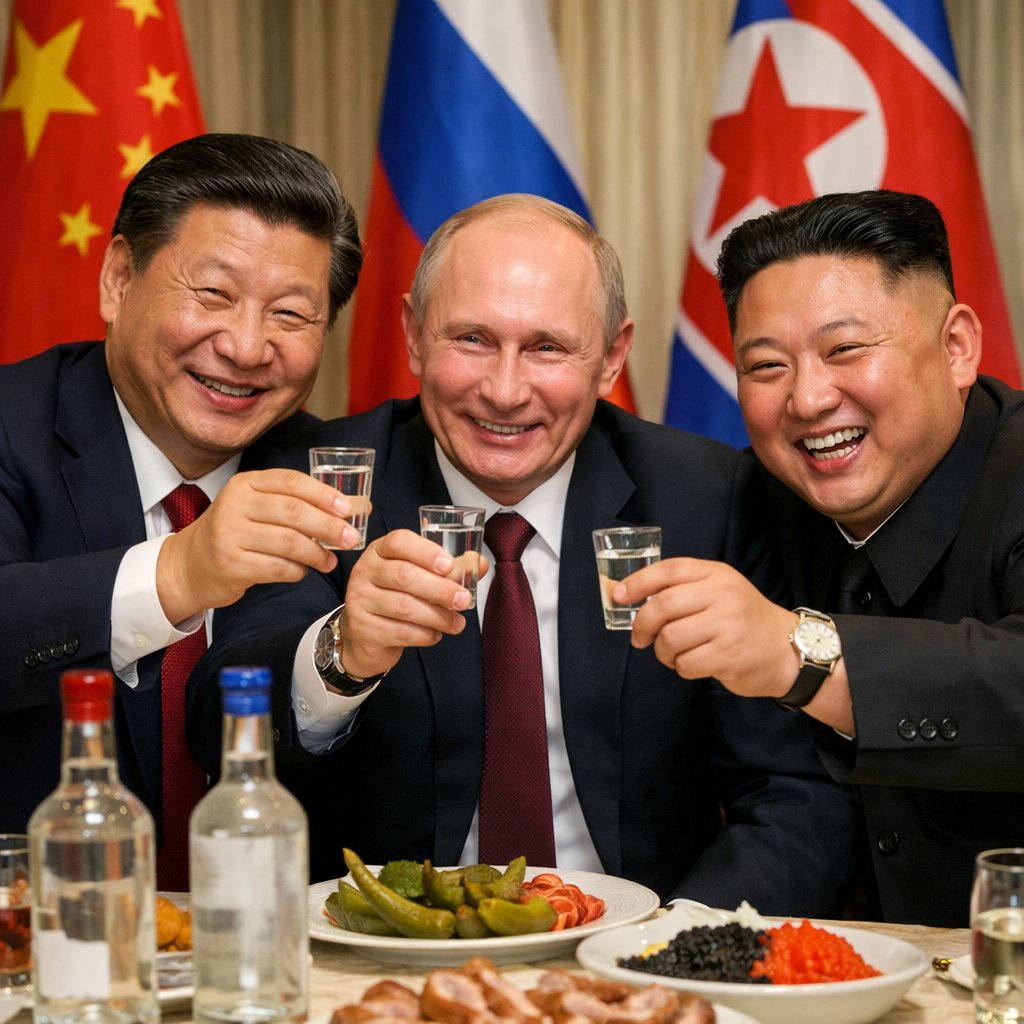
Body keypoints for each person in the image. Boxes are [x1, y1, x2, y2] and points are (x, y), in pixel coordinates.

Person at [188, 193, 857, 915]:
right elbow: (214, 730)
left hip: (640, 946)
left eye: (547, 348)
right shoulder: (324, 479)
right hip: (384, 950)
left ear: (612, 357)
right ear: (413, 335)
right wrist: (342, 651)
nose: (505, 392)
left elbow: (792, 796)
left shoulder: (708, 498)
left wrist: (674, 942)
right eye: (472, 339)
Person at [618, 189, 1024, 926]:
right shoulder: (749, 501)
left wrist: (800, 655)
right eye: (766, 365)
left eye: (845, 350)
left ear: (957, 347)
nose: (807, 400)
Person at [0, 134, 364, 886]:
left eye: (291, 314)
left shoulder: (338, 473)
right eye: (214, 295)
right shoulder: (12, 424)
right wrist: (179, 571)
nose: (246, 346)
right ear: (119, 278)